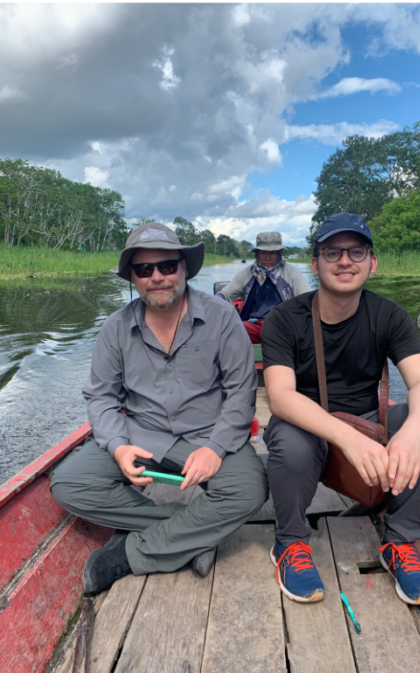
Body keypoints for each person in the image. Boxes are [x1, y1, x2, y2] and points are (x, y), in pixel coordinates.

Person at [50, 222, 268, 595]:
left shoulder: (221, 317)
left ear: (184, 268)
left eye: (167, 266)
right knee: (69, 484)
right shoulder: (115, 329)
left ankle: (132, 553)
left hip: (206, 436)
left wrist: (215, 449)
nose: (157, 277)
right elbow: (101, 398)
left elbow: (241, 390)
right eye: (144, 269)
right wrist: (118, 447)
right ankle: (192, 534)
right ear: (133, 277)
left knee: (250, 489)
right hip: (141, 435)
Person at [261, 212, 420, 605]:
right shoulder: (283, 319)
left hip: (369, 425)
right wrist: (347, 438)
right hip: (307, 427)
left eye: (356, 251)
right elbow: (279, 396)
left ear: (372, 262)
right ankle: (290, 543)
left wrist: (411, 435)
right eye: (332, 252)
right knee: (291, 442)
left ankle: (399, 542)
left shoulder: (389, 315)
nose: (345, 261)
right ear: (315, 265)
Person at [216, 232, 311, 343]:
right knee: (226, 331)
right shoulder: (246, 273)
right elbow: (225, 295)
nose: (267, 257)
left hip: (284, 324)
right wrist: (212, 302)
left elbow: (308, 298)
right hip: (254, 325)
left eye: (272, 253)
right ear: (257, 254)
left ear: (279, 253)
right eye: (263, 253)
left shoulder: (291, 272)